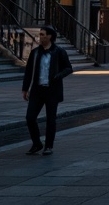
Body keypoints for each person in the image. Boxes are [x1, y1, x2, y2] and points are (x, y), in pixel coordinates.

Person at [22, 25, 73, 155]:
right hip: (37, 90)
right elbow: (28, 72)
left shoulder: (59, 51)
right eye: (40, 34)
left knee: (51, 119)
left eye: (43, 34)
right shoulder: (35, 52)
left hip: (52, 91)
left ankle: (49, 146)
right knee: (30, 117)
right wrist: (25, 89)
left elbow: (68, 68)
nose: (40, 37)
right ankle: (37, 143)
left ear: (50, 36)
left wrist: (58, 76)